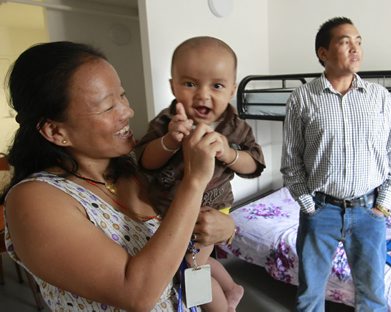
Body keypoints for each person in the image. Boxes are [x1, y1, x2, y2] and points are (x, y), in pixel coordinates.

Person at [1, 41, 236, 311]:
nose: (127, 112)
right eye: (107, 106)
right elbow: (136, 293)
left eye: (122, 96)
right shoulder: (34, 200)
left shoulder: (131, 171)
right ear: (56, 131)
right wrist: (194, 182)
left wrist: (225, 229)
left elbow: (178, 244)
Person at [281, 17, 391, 312]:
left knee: (373, 297)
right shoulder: (302, 99)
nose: (356, 48)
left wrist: (383, 205)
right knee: (309, 296)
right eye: (345, 41)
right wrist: (308, 206)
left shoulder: (379, 97)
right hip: (320, 210)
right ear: (323, 53)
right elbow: (291, 161)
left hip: (368, 211)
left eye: (359, 41)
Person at [135, 36, 266, 312]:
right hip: (168, 209)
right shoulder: (165, 122)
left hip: (212, 209)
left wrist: (229, 154)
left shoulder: (235, 127)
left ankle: (221, 308)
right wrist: (169, 141)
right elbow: (144, 160)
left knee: (190, 270)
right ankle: (231, 289)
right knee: (194, 261)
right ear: (173, 85)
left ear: (231, 89)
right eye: (190, 84)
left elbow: (254, 164)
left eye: (216, 85)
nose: (203, 95)